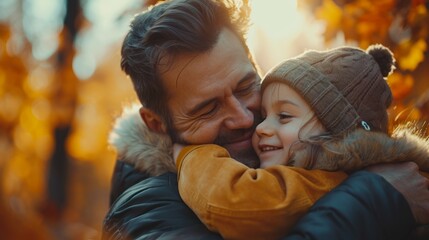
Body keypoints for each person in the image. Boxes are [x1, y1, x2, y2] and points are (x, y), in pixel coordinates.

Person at [102, 0, 429, 239]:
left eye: (246, 86)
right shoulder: (144, 213)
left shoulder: (299, 143)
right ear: (157, 123)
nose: (245, 118)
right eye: (208, 109)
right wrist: (373, 200)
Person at [172, 44, 429, 239]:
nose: (259, 127)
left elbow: (236, 199)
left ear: (338, 130)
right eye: (265, 114)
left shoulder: (334, 173)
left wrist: (190, 153)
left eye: (283, 116)